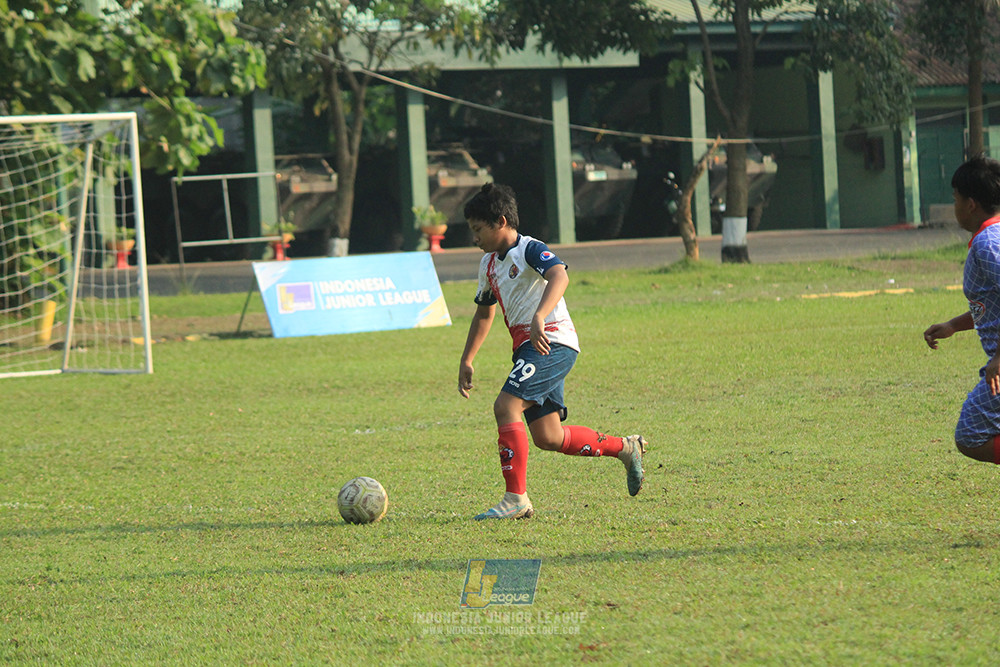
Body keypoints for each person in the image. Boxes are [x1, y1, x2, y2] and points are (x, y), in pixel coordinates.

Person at [457, 182, 647, 520]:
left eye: (478, 229)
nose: (474, 237)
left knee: (505, 406)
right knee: (549, 436)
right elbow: (484, 312)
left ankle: (516, 498)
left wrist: (540, 316)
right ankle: (626, 448)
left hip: (552, 341)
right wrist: (467, 358)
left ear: (501, 221)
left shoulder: (529, 248)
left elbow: (560, 275)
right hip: (529, 349)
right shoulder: (488, 265)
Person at [925, 154, 1000, 463]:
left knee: (970, 434)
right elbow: (991, 304)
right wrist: (954, 325)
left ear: (970, 204)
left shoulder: (987, 243)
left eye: (955, 198)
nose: (953, 205)